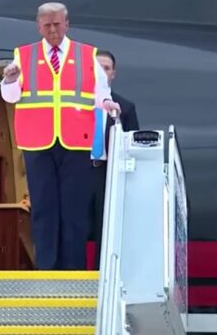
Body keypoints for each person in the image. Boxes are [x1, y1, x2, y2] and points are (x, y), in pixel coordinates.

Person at [0, 2, 121, 270]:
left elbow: (100, 93)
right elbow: (11, 97)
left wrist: (108, 104)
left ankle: (73, 271)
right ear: (38, 26)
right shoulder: (23, 56)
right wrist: (9, 81)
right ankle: (47, 271)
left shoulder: (87, 55)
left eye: (57, 24)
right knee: (43, 209)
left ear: (67, 24)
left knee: (74, 210)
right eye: (47, 25)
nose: (53, 30)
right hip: (37, 142)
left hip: (76, 141)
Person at [89, 49, 140, 269]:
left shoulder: (125, 108)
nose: (102, 72)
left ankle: (103, 275)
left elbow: (134, 147)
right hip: (78, 171)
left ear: (113, 74)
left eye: (106, 68)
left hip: (108, 174)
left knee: (105, 226)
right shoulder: (77, 103)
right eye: (97, 68)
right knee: (74, 225)